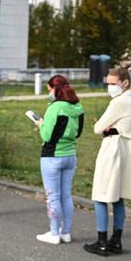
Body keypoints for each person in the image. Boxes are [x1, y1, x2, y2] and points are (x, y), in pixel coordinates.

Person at [84, 66, 131, 256]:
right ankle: (116, 241)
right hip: (130, 150)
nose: (110, 87)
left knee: (101, 195)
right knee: (118, 197)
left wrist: (108, 128)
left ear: (125, 82)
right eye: (108, 83)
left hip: (114, 149)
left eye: (113, 83)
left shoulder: (118, 103)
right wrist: (112, 127)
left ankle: (102, 241)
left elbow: (97, 128)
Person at [34, 75, 84, 245]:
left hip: (52, 156)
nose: (49, 93)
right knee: (66, 196)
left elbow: (47, 136)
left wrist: (41, 124)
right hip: (70, 155)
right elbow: (77, 133)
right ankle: (66, 232)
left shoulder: (54, 108)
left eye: (48, 90)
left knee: (53, 197)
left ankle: (54, 233)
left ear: (54, 89)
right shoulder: (77, 106)